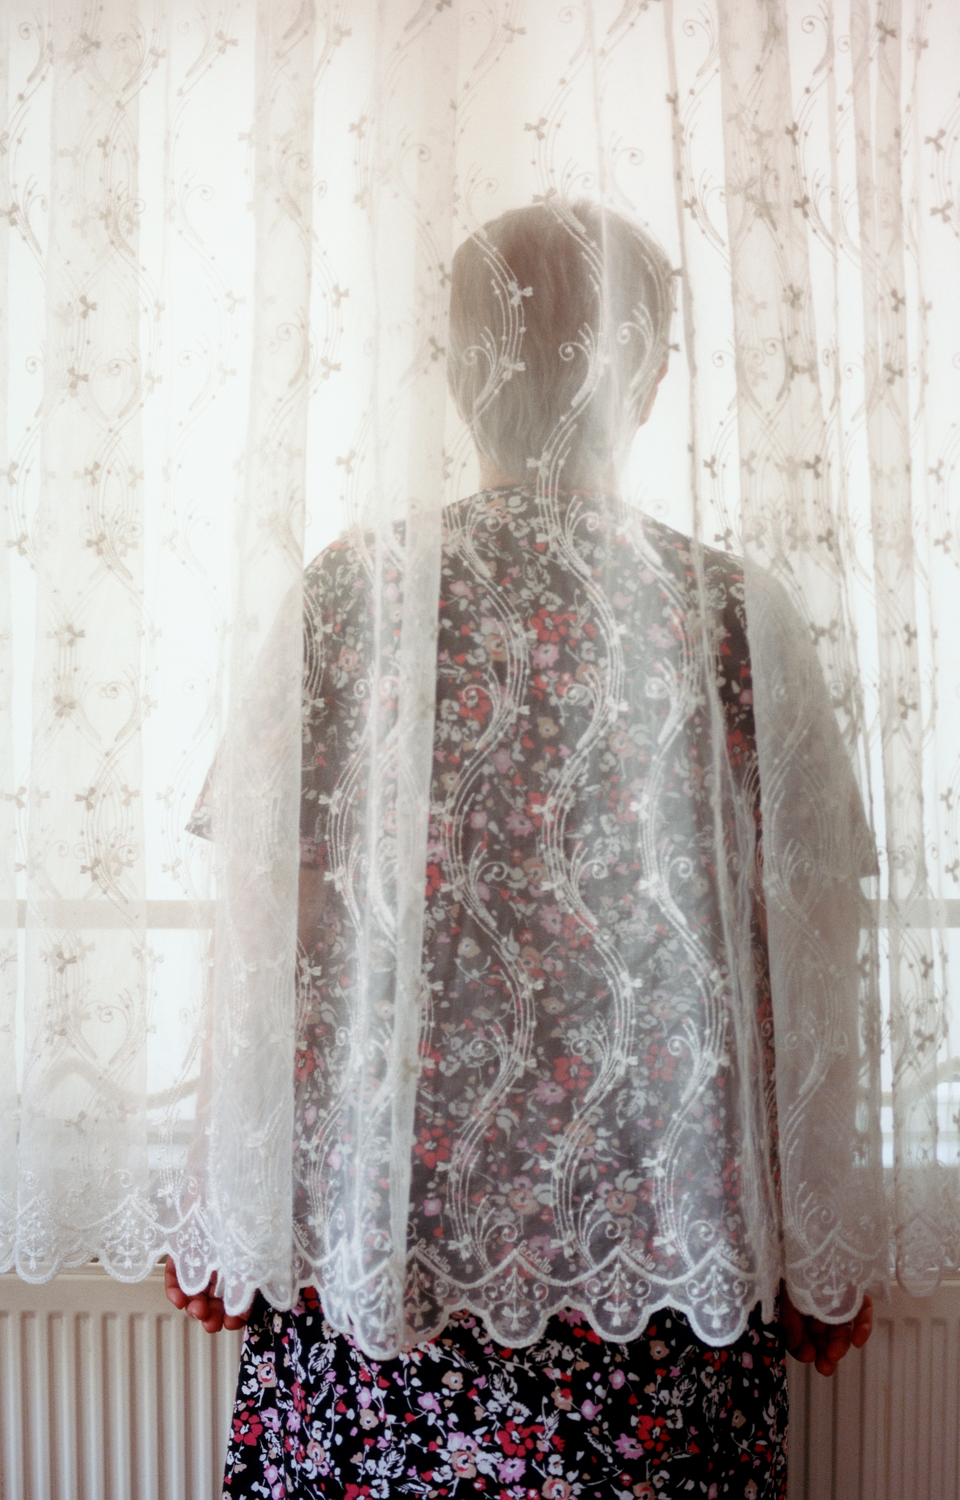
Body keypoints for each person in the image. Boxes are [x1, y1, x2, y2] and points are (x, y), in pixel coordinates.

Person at [166, 200, 875, 1499]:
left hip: (387, 1231)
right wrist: (823, 1233)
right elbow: (819, 950)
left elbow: (268, 934)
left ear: (456, 368)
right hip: (660, 1229)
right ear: (642, 375)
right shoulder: (730, 613)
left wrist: (226, 1203)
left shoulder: (353, 598)